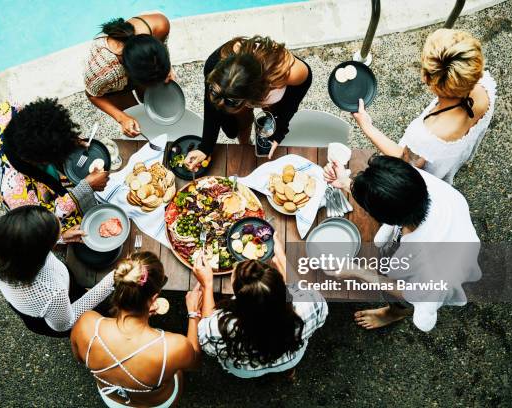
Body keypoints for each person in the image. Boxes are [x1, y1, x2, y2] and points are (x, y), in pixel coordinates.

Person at [324, 155, 481, 332]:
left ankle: (395, 313)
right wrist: (347, 182)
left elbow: (412, 293)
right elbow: (388, 192)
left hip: (434, 277)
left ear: (384, 218)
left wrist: (359, 272)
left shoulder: (429, 267)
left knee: (400, 300)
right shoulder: (416, 183)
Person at [352, 29, 496, 184]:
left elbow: (407, 162)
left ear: (426, 78)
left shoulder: (425, 136)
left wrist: (367, 126)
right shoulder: (484, 85)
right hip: (455, 155)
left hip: (429, 174)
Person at [71, 252, 203, 407]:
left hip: (112, 400)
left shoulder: (85, 325)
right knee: (177, 371)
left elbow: (80, 358)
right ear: (154, 298)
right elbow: (194, 362)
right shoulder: (173, 347)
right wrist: (194, 313)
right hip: (157, 403)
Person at [193, 233, 328, 378]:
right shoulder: (310, 304)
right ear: (282, 286)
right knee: (288, 364)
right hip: (289, 358)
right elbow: (297, 290)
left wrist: (207, 285)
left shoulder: (219, 327)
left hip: (246, 369)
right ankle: (288, 371)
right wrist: (282, 259)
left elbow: (204, 333)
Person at [0, 206, 114, 337]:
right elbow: (66, 323)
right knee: (98, 316)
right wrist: (112, 278)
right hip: (50, 314)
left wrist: (61, 238)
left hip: (34, 298)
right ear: (38, 256)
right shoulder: (51, 293)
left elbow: (23, 244)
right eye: (55, 235)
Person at [0, 99, 109, 242]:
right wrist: (61, 237)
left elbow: (44, 130)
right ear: (40, 161)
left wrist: (67, 140)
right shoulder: (17, 196)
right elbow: (37, 225)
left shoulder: (8, 111)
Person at [185, 35, 312, 166]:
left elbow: (294, 100)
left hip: (269, 91)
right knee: (237, 125)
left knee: (270, 118)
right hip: (245, 92)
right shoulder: (214, 65)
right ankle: (245, 145)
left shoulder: (290, 72)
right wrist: (205, 147)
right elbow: (212, 106)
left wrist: (280, 128)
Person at [84, 14, 173, 137]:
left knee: (150, 99)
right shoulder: (103, 72)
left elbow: (162, 48)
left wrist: (166, 68)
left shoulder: (159, 25)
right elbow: (92, 95)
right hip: (114, 86)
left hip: (135, 68)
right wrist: (121, 118)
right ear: (130, 74)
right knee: (138, 120)